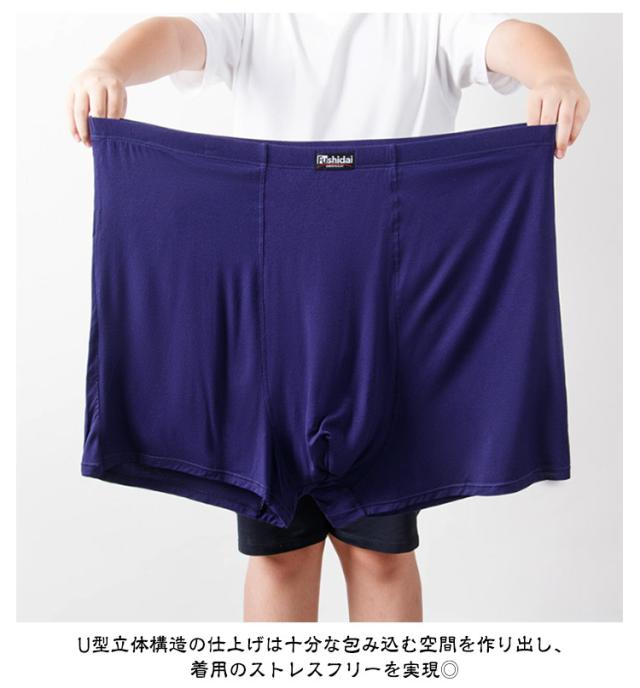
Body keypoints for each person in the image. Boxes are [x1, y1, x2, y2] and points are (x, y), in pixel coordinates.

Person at [68, 14, 589, 623]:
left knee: (381, 554)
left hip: (394, 318)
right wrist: (111, 65)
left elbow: (505, 36)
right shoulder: (255, 17)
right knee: (278, 555)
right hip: (269, 318)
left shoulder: (430, 18)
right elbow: (181, 35)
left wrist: (554, 73)